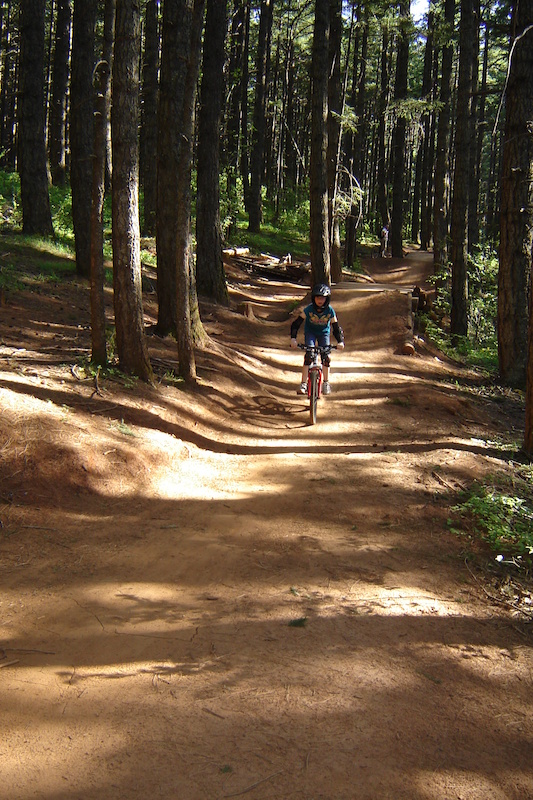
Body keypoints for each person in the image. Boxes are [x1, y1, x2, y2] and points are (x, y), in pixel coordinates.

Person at [290, 283, 345, 395]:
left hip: (324, 334)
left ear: (327, 299)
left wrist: (340, 341)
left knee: (326, 357)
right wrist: (293, 339)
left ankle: (326, 382)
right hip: (310, 333)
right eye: (317, 298)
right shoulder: (308, 310)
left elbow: (336, 327)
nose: (320, 301)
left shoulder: (330, 311)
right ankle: (303, 384)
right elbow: (296, 324)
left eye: (322, 298)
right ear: (313, 298)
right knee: (309, 355)